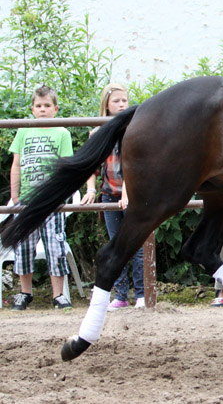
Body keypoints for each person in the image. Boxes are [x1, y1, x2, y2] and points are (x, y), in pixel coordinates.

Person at [81, 83, 145, 311]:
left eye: (124, 101)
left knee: (136, 245)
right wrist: (90, 190)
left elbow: (133, 165)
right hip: (109, 194)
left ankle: (141, 294)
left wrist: (127, 193)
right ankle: (120, 295)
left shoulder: (133, 129)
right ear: (106, 104)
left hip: (131, 194)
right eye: (116, 101)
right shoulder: (98, 132)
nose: (121, 105)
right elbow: (92, 165)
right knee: (115, 245)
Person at [9, 85, 74, 310]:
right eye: (38, 106)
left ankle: (58, 295)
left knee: (55, 247)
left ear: (55, 109)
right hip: (26, 201)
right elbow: (16, 164)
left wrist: (61, 194)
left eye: (47, 106)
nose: (43, 109)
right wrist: (15, 197)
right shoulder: (23, 131)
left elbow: (66, 167)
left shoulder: (62, 133)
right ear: (32, 109)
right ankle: (24, 293)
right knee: (23, 247)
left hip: (51, 202)